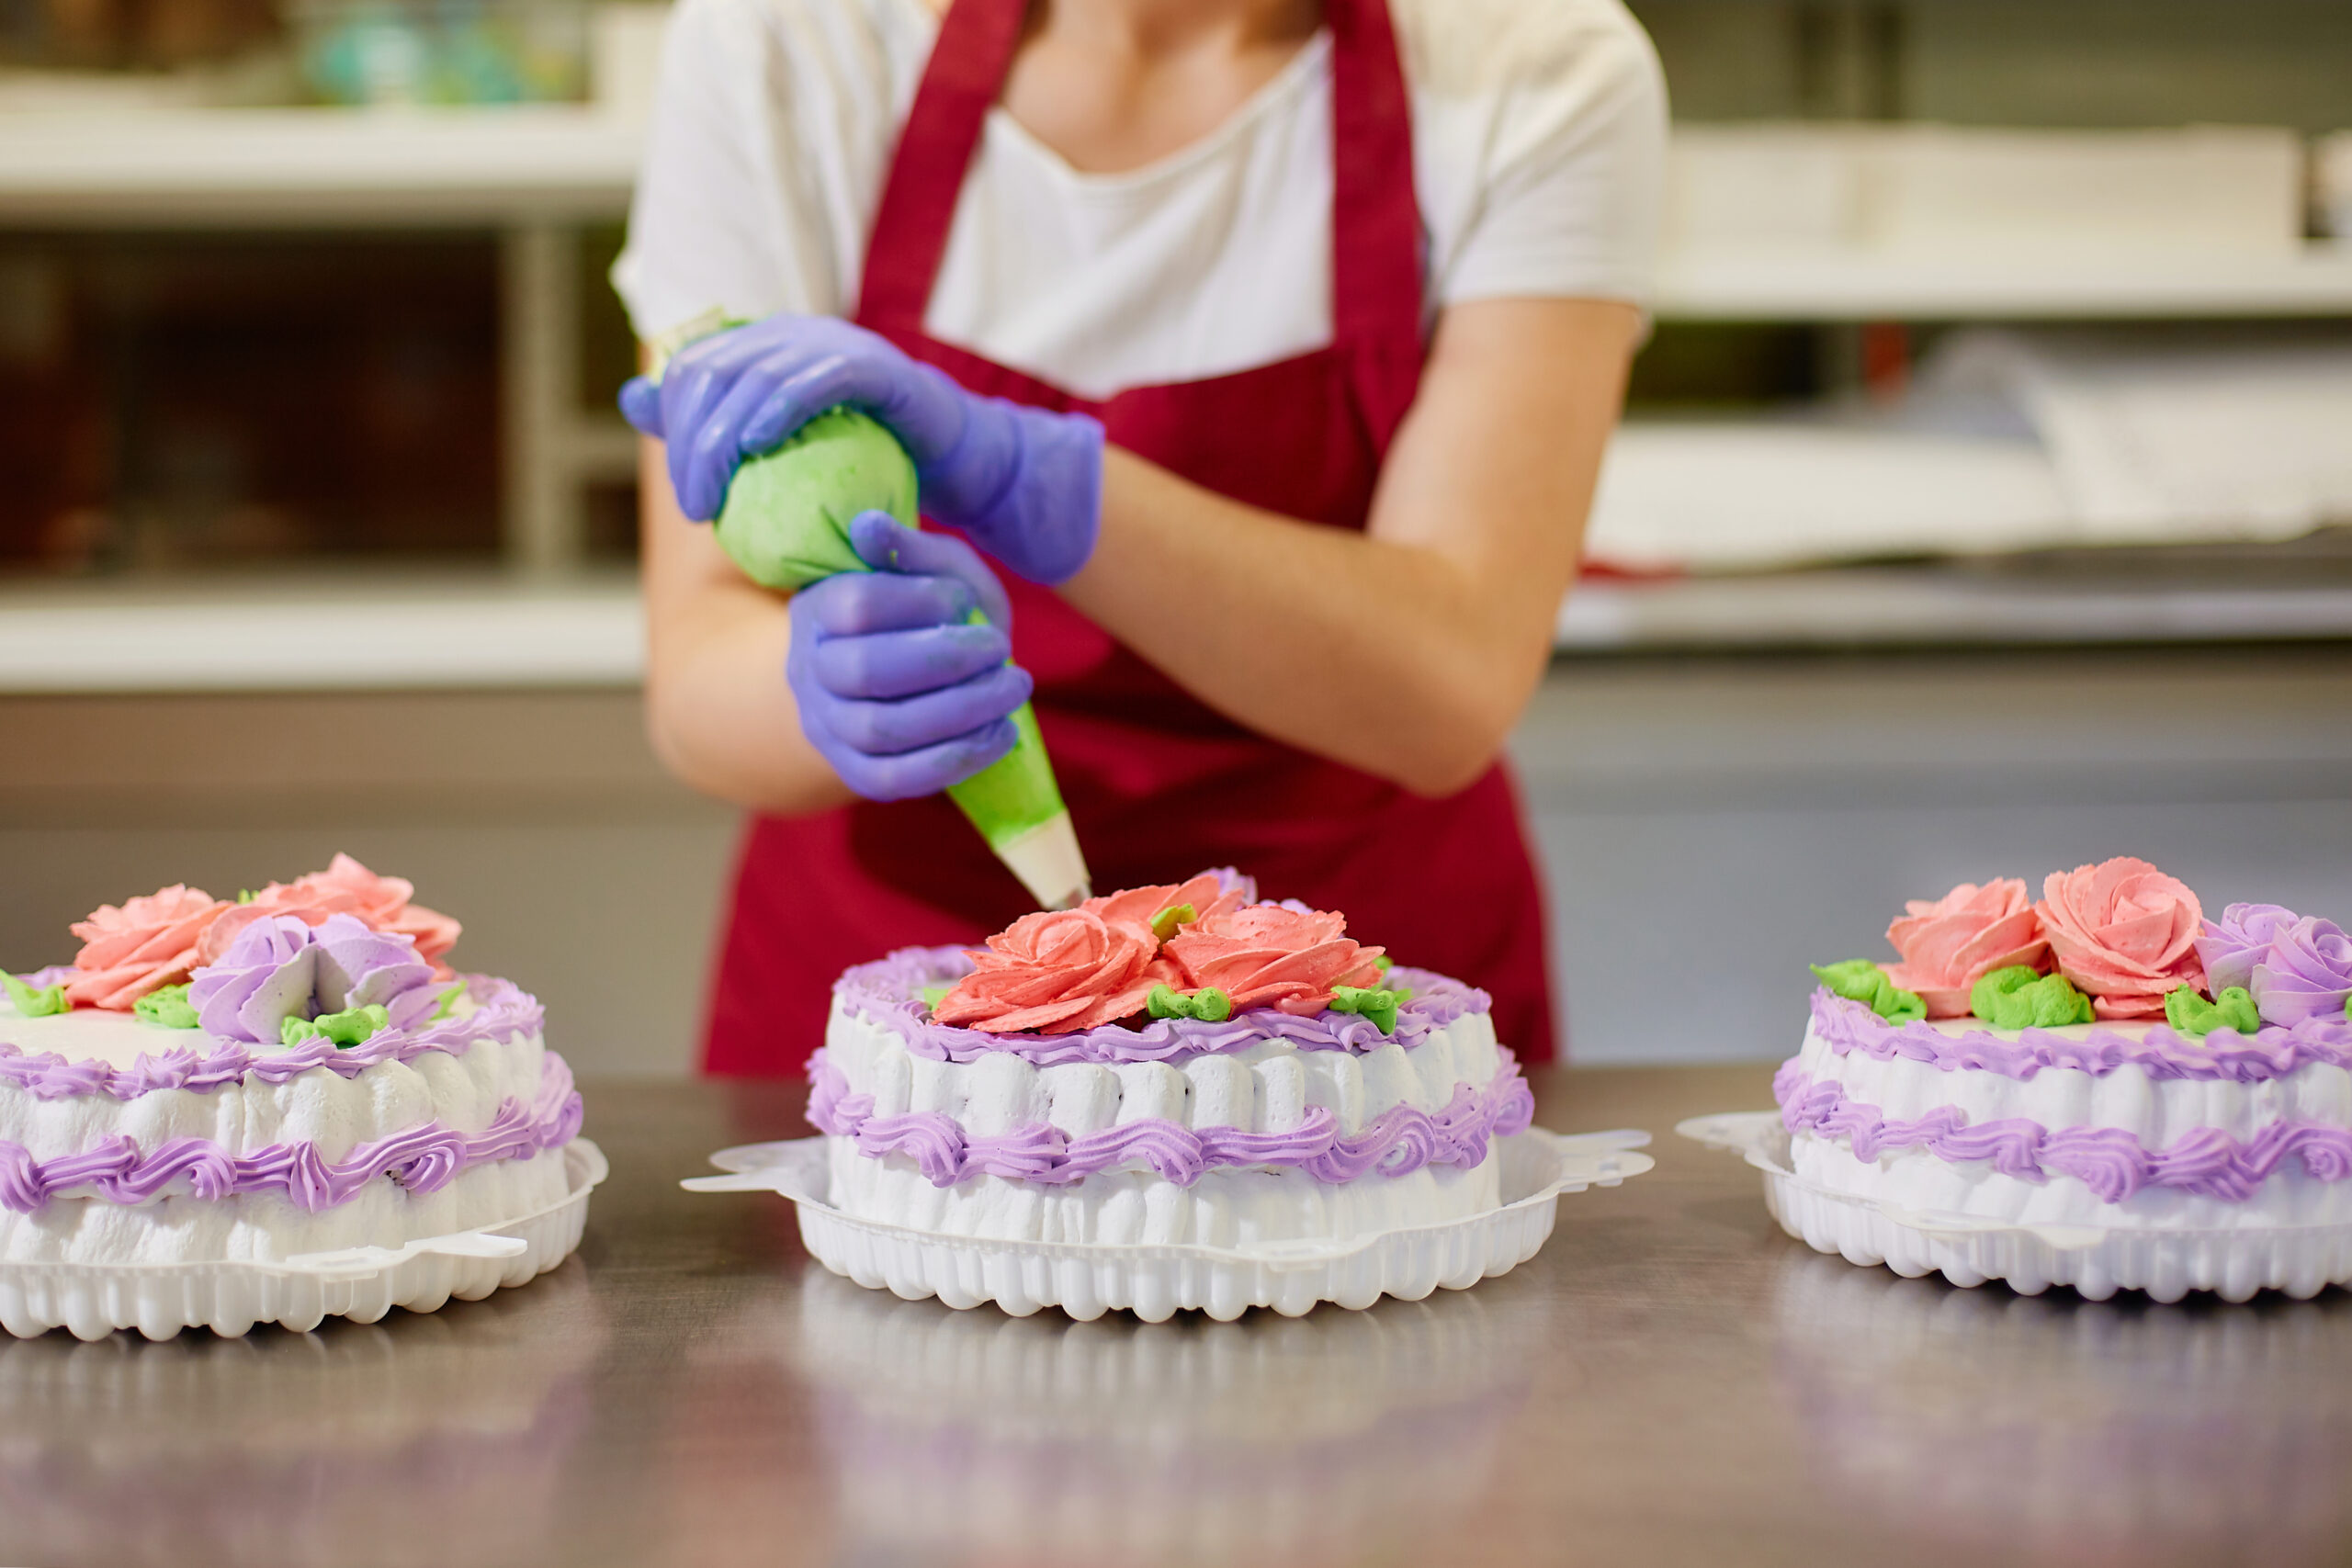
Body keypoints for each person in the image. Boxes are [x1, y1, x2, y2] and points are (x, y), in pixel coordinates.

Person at [613, 0, 1665, 1076]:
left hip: (1355, 1018)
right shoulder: (789, 40)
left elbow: (1450, 679)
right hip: (898, 1018)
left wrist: (1033, 477)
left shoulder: (1532, 68)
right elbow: (700, 660)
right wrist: (834, 693)